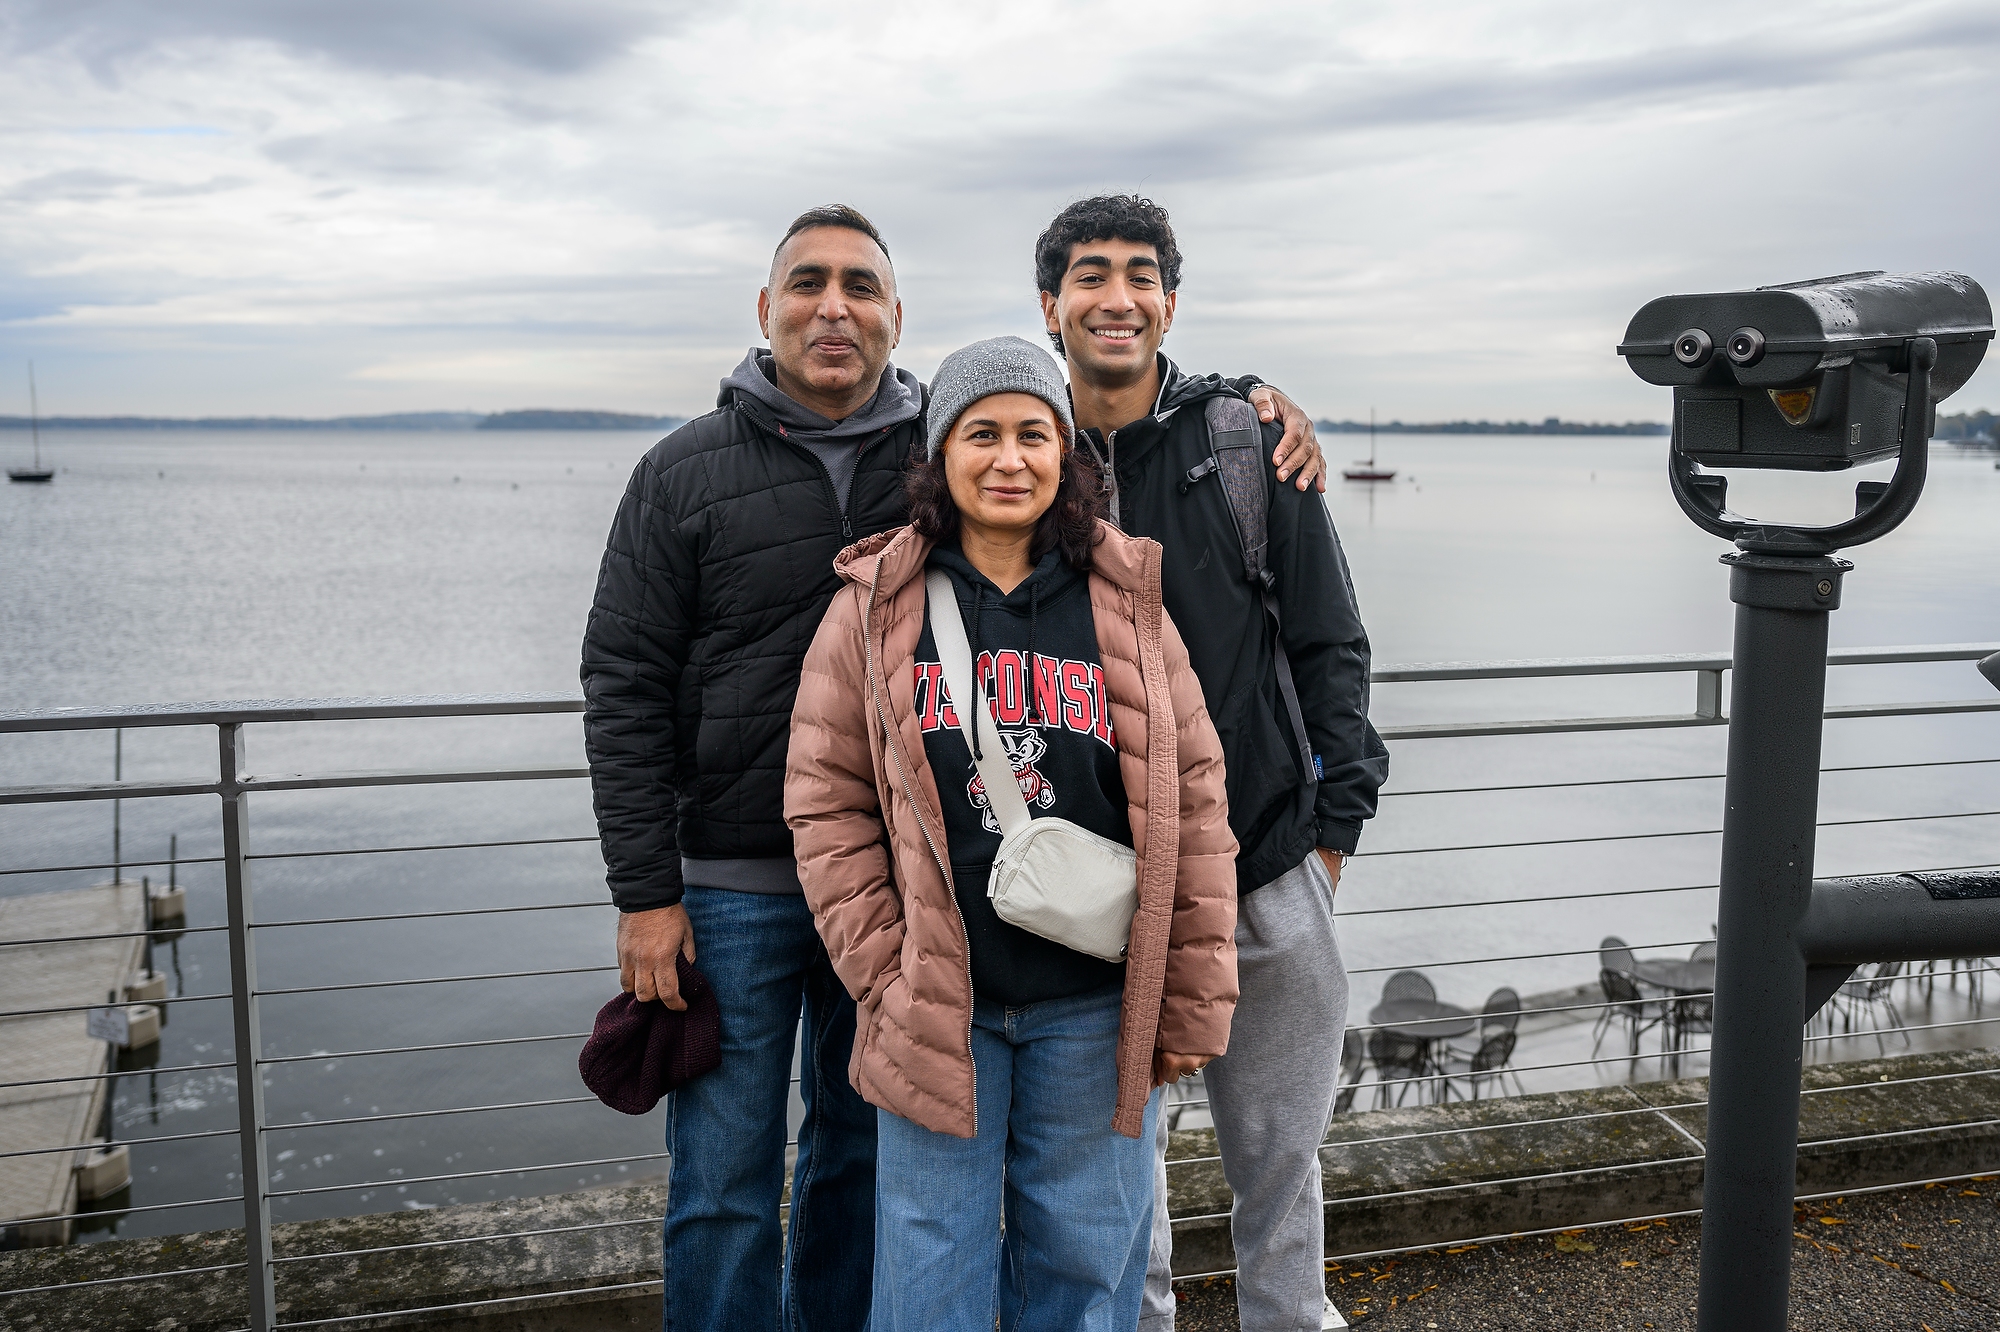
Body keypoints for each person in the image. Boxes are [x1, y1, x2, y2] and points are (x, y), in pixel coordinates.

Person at [580, 204, 1326, 1331]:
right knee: (734, 1188)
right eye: (807, 284)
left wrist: (1260, 396)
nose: (833, 308)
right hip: (762, 896)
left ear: (894, 317)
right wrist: (649, 895)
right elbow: (630, 684)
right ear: (764, 307)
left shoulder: (1067, 557)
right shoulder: (695, 478)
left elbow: (1192, 788)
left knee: (879, 1181)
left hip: (1014, 948)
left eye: (860, 288)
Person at [785, 335, 1239, 1331]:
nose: (1007, 457)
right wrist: (885, 972)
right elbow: (825, 802)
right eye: (978, 433)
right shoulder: (875, 608)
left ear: (1064, 456)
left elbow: (1194, 799)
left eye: (1032, 434)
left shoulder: (1125, 600)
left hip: (1093, 1007)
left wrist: (1196, 986)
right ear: (939, 457)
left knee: (1084, 1274)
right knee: (928, 1275)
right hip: (941, 1006)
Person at [1032, 195, 1389, 1332]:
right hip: (1107, 889)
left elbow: (1330, 640)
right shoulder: (1023, 456)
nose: (1116, 296)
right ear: (1051, 306)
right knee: (1118, 1166)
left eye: (1139, 275)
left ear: (1168, 303)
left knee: (1281, 1162)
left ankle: (1291, 1322)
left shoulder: (1243, 440)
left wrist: (1332, 834)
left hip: (1270, 861)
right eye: (1089, 275)